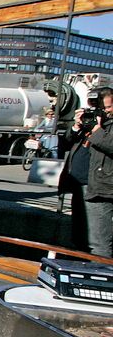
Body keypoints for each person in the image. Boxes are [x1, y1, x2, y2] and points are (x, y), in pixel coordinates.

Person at [59, 105, 94, 252]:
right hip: (77, 181)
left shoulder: (104, 128)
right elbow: (65, 142)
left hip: (93, 182)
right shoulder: (85, 128)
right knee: (79, 225)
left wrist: (97, 128)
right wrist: (76, 125)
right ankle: (78, 252)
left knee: (92, 230)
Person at [84, 87, 113, 257]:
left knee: (100, 246)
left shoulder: (102, 127)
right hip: (96, 187)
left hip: (105, 188)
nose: (105, 111)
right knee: (95, 243)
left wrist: (97, 132)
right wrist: (78, 126)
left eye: (108, 108)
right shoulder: (100, 123)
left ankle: (100, 278)